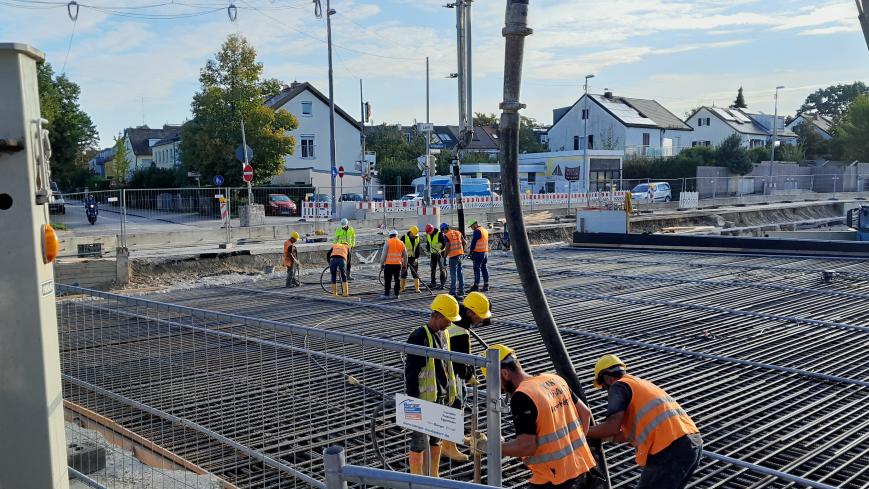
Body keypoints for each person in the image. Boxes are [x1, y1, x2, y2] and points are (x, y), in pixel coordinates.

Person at [479, 345, 597, 489]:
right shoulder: (554, 379)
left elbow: (527, 446)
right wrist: (573, 449)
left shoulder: (522, 396)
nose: (500, 389)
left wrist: (487, 447)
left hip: (554, 478)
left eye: (496, 382)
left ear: (505, 374)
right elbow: (585, 413)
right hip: (582, 467)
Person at [586, 355, 702, 489]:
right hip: (693, 445)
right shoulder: (640, 385)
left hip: (669, 451)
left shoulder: (619, 386)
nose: (605, 391)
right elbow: (625, 434)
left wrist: (582, 432)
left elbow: (611, 427)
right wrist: (600, 436)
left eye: (603, 387)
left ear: (606, 378)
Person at [404, 294, 462, 477]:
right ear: (437, 315)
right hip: (421, 398)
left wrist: (451, 392)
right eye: (448, 319)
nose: (450, 324)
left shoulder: (444, 333)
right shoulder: (419, 336)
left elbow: (446, 366)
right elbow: (411, 374)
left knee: (435, 441)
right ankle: (417, 480)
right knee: (419, 443)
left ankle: (434, 477)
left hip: (440, 396)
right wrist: (413, 403)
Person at [440, 291, 493, 462]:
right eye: (480, 316)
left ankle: (456, 435)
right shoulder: (460, 330)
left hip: (450, 371)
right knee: (454, 405)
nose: (482, 320)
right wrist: (468, 375)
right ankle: (448, 446)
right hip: (452, 374)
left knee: (459, 402)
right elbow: (459, 360)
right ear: (470, 312)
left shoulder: (458, 319)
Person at [442, 223, 467, 299]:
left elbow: (447, 246)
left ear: (445, 229)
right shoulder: (458, 232)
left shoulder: (447, 235)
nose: (443, 232)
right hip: (460, 255)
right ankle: (462, 291)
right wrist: (463, 251)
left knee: (453, 274)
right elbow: (465, 242)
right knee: (460, 273)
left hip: (453, 256)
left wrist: (444, 257)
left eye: (443, 231)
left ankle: (453, 291)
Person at [381, 229, 408, 299]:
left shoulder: (388, 242)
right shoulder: (401, 243)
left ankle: (387, 294)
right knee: (397, 279)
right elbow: (405, 256)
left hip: (388, 265)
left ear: (390, 236)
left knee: (387, 280)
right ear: (397, 235)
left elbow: (384, 254)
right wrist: (405, 265)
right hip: (398, 265)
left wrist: (382, 264)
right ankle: (397, 294)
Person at [467, 220, 490, 292]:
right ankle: (486, 285)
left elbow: (474, 242)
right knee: (484, 268)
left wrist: (471, 252)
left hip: (478, 253)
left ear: (475, 224)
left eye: (471, 226)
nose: (471, 228)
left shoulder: (477, 231)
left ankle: (476, 286)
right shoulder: (484, 230)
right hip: (485, 252)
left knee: (477, 269)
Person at [400, 226, 422, 293]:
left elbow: (418, 249)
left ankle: (417, 289)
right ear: (410, 232)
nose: (414, 236)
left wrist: (416, 258)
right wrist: (401, 258)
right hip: (405, 258)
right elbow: (400, 249)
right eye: (413, 234)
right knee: (403, 273)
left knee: (415, 273)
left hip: (413, 258)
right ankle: (402, 288)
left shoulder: (417, 238)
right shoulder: (404, 238)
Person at [426, 223, 447, 290]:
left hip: (441, 254)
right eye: (428, 232)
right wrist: (428, 249)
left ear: (432, 229)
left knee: (442, 269)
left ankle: (442, 284)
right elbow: (428, 243)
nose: (429, 233)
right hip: (433, 254)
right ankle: (433, 282)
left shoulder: (439, 234)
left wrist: (440, 250)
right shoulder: (428, 234)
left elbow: (444, 244)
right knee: (433, 268)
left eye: (430, 232)